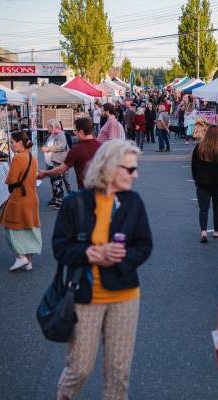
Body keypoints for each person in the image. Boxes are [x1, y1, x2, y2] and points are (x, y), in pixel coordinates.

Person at [53, 140, 153, 400]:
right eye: (130, 169)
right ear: (109, 168)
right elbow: (60, 249)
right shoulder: (75, 203)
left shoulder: (133, 202)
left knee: (118, 374)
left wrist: (121, 258)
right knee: (80, 368)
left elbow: (144, 244)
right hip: (85, 296)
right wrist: (89, 253)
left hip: (124, 295)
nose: (136, 174)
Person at [0, 132, 41, 271]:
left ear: (20, 143)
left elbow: (10, 179)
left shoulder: (18, 158)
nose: (11, 145)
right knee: (29, 228)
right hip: (32, 196)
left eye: (12, 142)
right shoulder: (32, 158)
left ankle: (20, 257)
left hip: (19, 198)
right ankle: (29, 261)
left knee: (12, 227)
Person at [191, 125, 218, 243]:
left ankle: (203, 231)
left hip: (202, 182)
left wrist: (195, 179)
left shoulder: (199, 147)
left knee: (203, 208)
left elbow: (194, 165)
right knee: (217, 207)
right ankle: (215, 231)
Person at [39, 118, 101, 190]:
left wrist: (44, 173)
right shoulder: (102, 146)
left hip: (85, 192)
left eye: (75, 131)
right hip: (103, 192)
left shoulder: (76, 150)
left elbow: (61, 169)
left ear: (81, 131)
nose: (74, 133)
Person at [42, 119, 68, 209]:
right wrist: (45, 147)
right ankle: (55, 199)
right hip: (50, 162)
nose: (47, 128)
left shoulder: (60, 134)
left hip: (56, 162)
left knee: (57, 182)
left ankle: (59, 201)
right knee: (53, 182)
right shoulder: (52, 135)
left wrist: (49, 149)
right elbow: (47, 144)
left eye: (48, 126)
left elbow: (62, 146)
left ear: (53, 126)